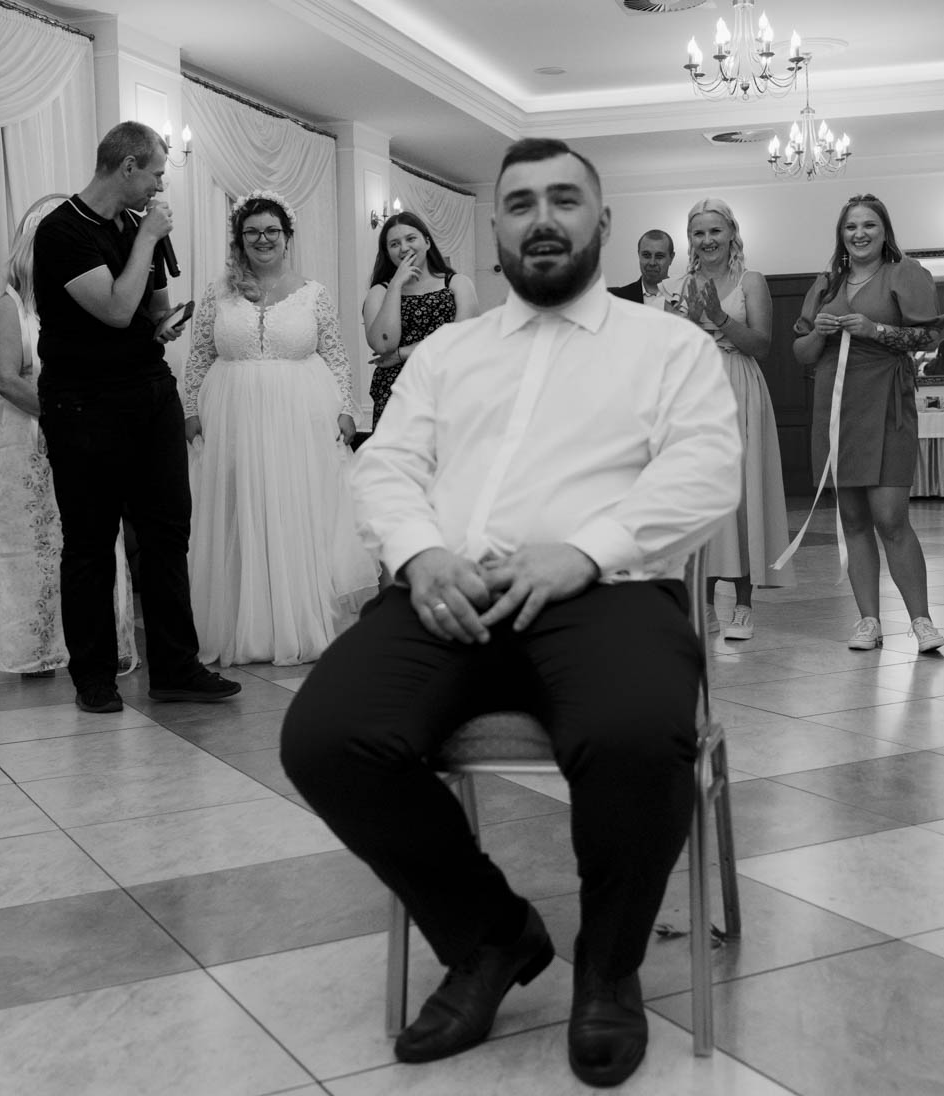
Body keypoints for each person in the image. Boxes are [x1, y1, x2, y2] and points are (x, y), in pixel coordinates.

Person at [280, 138, 741, 1088]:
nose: (543, 219)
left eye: (565, 199)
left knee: (635, 737)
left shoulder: (669, 347)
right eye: (522, 203)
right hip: (450, 589)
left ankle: (607, 967)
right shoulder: (449, 353)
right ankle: (491, 937)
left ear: (601, 222)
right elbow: (387, 467)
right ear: (495, 229)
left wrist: (587, 549)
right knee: (327, 739)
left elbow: (706, 470)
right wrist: (420, 553)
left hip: (607, 593)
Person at [32, 121, 239, 713]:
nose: (158, 186)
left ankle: (176, 667)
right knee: (92, 541)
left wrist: (166, 318)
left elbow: (147, 310)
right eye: (154, 173)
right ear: (126, 166)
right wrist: (148, 237)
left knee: (168, 532)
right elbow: (116, 310)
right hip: (84, 402)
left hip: (149, 391)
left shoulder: (133, 225)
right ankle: (93, 677)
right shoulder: (63, 230)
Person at [184, 192, 373, 666]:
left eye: (272, 231)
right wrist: (190, 411)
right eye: (252, 232)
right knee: (241, 510)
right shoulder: (217, 293)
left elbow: (336, 355)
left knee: (296, 510)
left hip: (300, 418)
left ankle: (299, 623)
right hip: (232, 417)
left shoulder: (313, 293)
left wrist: (347, 410)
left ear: (287, 237)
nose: (262, 239)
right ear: (240, 239)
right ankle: (244, 627)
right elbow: (199, 356)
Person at [791, 194, 944, 652]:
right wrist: (818, 333)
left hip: (887, 403)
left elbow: (929, 335)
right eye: (851, 227)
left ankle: (921, 620)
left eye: (869, 225)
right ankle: (868, 621)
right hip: (836, 407)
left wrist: (874, 330)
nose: (859, 234)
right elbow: (801, 353)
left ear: (885, 232)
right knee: (853, 518)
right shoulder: (826, 283)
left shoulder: (906, 273)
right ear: (841, 235)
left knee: (891, 517)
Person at [0, 195, 137, 677]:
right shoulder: (9, 308)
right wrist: (63, 412)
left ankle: (104, 643)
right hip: (33, 439)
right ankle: (37, 650)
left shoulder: (82, 300)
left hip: (88, 436)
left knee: (95, 540)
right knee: (36, 547)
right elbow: (6, 379)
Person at [675, 198, 793, 639]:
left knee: (742, 492)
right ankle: (704, 606)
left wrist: (718, 316)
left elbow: (761, 345)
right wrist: (689, 323)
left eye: (714, 231)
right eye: (698, 233)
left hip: (739, 387)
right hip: (694, 392)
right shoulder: (679, 285)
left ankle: (744, 604)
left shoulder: (751, 281)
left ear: (731, 234)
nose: (707, 240)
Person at [362, 209, 478, 424]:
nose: (404, 248)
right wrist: (396, 285)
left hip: (448, 385)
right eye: (394, 244)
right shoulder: (380, 292)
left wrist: (402, 353)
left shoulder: (457, 283)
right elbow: (383, 344)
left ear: (427, 242)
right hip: (396, 391)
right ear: (387, 252)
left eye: (411, 238)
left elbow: (461, 341)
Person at [607, 228, 676, 305]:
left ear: (671, 258)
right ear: (639, 255)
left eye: (659, 256)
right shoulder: (616, 299)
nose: (652, 263)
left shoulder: (684, 298)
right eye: (646, 255)